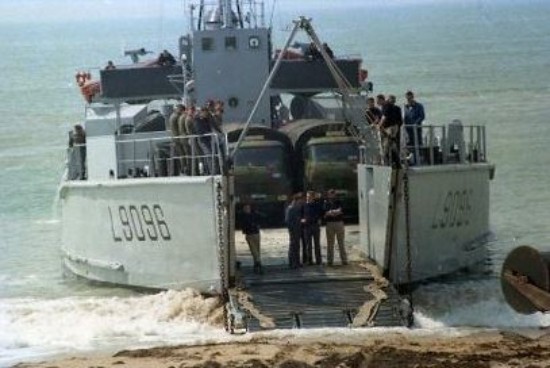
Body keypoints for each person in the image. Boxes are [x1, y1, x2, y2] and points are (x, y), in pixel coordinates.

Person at [323, 189, 347, 266]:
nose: (331, 195)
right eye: (330, 194)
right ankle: (330, 261)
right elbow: (325, 212)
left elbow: (341, 210)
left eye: (333, 194)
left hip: (339, 223)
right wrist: (334, 212)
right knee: (330, 243)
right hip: (329, 224)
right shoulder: (326, 202)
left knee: (341, 243)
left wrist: (332, 212)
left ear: (335, 195)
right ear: (328, 195)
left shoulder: (339, 201)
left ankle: (344, 260)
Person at [378, 94, 403, 166]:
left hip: (391, 129)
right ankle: (395, 163)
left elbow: (384, 117)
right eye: (391, 99)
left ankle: (391, 163)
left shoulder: (388, 106)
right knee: (391, 146)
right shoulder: (385, 107)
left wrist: (379, 125)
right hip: (388, 129)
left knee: (388, 146)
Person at [301, 191, 323, 265]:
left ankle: (318, 260)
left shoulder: (317, 205)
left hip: (315, 226)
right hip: (307, 227)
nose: (308, 198)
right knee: (308, 245)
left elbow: (320, 214)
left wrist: (319, 219)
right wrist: (302, 219)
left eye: (309, 196)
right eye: (307, 196)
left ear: (313, 197)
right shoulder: (304, 205)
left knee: (317, 244)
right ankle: (309, 261)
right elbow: (301, 215)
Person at [241, 204, 263, 274]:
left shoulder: (248, 215)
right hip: (250, 234)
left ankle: (257, 263)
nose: (246, 209)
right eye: (245, 208)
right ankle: (258, 263)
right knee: (254, 249)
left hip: (255, 233)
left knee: (256, 250)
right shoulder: (247, 216)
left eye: (247, 208)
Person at [285, 193, 304, 269]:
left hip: (297, 229)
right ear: (296, 201)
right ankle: (292, 263)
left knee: (297, 246)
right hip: (293, 230)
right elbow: (288, 221)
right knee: (293, 246)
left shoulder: (296, 208)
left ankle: (297, 262)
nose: (300, 203)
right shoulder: (291, 208)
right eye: (299, 201)